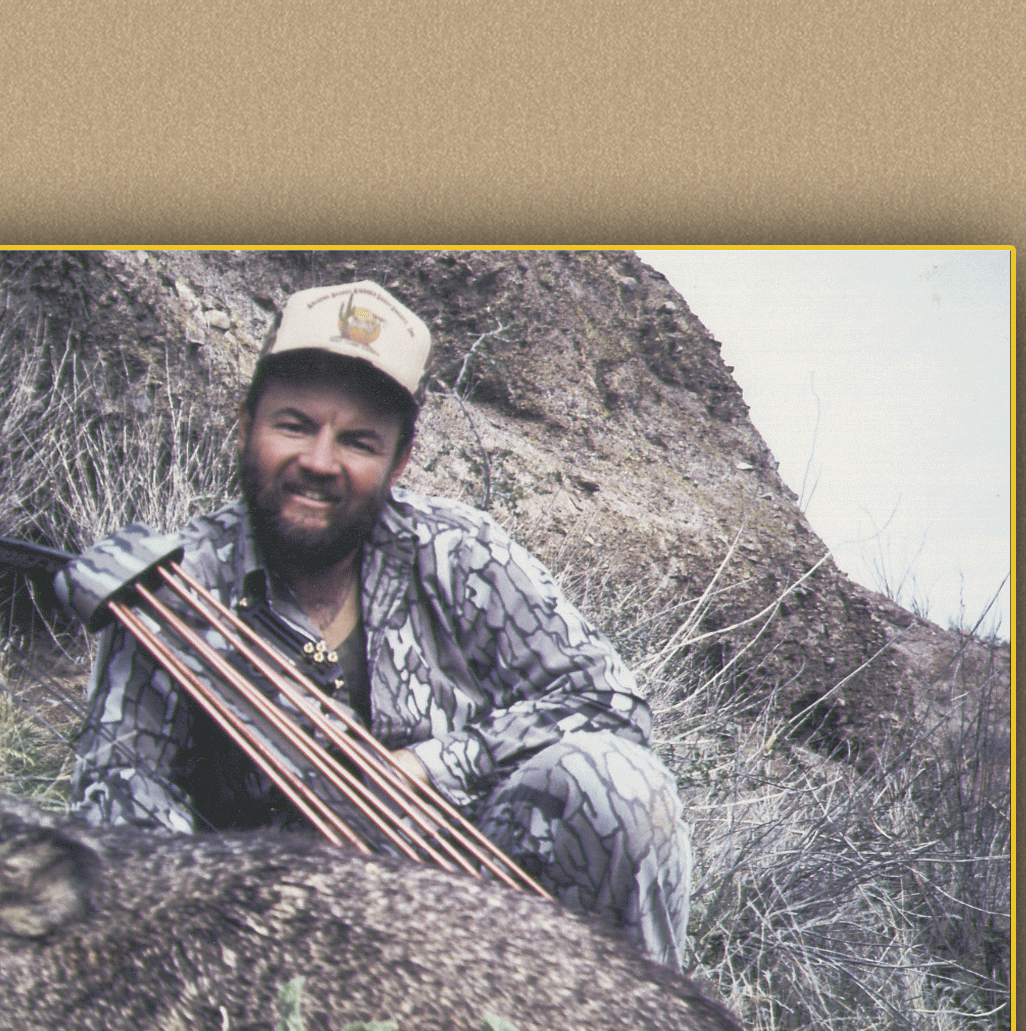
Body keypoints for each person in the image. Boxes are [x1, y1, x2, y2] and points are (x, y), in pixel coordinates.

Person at [67, 280, 694, 969]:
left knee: (618, 781)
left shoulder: (462, 553)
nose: (319, 462)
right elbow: (120, 794)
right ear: (245, 426)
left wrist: (431, 768)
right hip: (271, 945)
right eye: (294, 425)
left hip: (473, 913)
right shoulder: (171, 591)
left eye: (359, 441)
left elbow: (611, 707)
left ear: (399, 461)